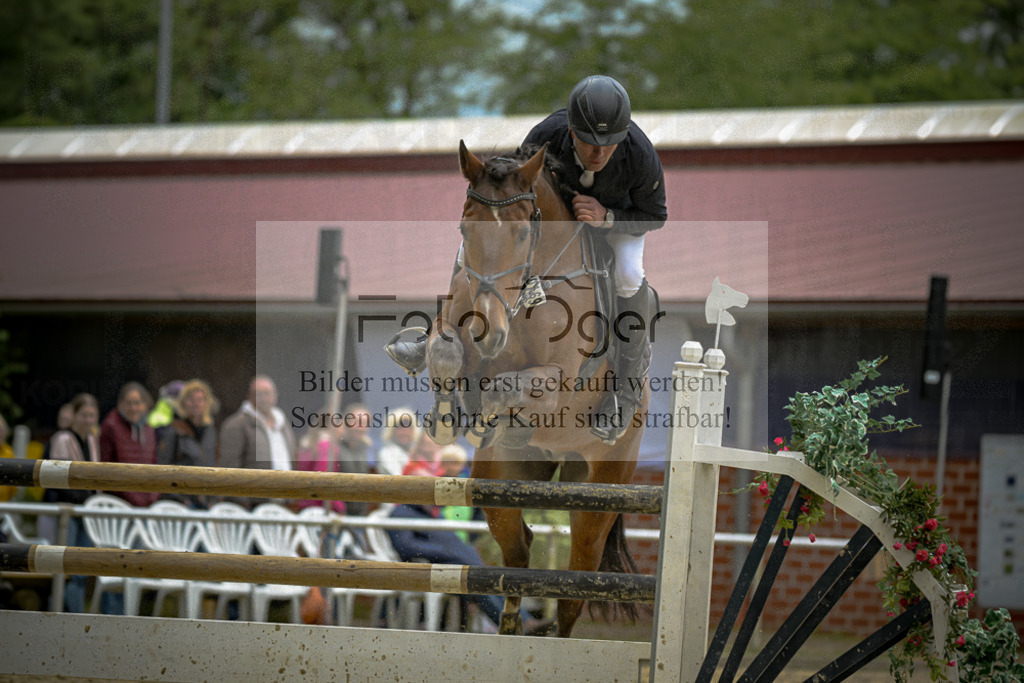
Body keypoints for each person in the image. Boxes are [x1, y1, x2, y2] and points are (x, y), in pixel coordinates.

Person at [386, 75, 666, 444]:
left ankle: (624, 393)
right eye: (589, 143)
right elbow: (511, 190)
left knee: (630, 275)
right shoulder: (545, 134)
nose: (599, 154)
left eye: (609, 145)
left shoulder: (640, 154)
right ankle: (433, 338)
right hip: (552, 223)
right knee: (475, 243)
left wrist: (607, 217)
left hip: (617, 223)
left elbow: (656, 215)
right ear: (571, 129)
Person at [46, 393, 101, 613]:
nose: (88, 420)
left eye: (92, 415)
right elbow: (57, 478)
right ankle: (58, 612)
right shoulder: (63, 438)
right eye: (84, 415)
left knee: (81, 568)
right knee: (64, 566)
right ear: (74, 415)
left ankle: (75, 616)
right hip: (67, 510)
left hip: (86, 512)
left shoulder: (91, 440)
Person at [218, 375, 296, 508]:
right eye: (259, 394)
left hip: (282, 501)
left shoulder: (282, 423)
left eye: (267, 393)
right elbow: (230, 464)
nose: (264, 398)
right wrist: (241, 499)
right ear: (249, 396)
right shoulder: (237, 424)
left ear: (275, 396)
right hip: (252, 502)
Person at [157, 378, 219, 508]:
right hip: (181, 501)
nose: (196, 404)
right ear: (183, 403)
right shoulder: (174, 430)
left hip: (205, 500)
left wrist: (214, 498)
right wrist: (177, 497)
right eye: (191, 399)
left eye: (201, 399)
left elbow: (214, 464)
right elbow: (163, 467)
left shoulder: (210, 432)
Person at [99, 382, 160, 508]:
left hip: (147, 503)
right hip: (118, 503)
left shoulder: (149, 429)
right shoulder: (111, 426)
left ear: (145, 405)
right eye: (128, 403)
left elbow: (154, 465)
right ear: (120, 404)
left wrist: (153, 496)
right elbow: (105, 465)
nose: (133, 408)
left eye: (137, 403)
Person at [375, 407, 420, 476]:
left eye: (408, 427)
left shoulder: (416, 452)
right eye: (400, 428)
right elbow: (398, 479)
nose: (405, 432)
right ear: (392, 431)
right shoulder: (387, 453)